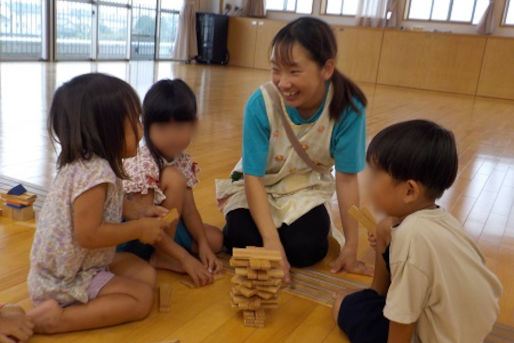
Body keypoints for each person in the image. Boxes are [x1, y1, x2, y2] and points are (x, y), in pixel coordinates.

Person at [216, 17, 369, 282]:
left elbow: (346, 179)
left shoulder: (348, 109)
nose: (283, 82)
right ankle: (265, 234)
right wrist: (270, 241)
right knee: (244, 238)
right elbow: (253, 177)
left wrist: (351, 248)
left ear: (326, 68)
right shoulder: (261, 104)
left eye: (294, 72)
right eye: (276, 70)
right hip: (259, 185)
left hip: (304, 188)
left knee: (305, 249)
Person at [333, 120, 503, 343]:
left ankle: (368, 303)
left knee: (342, 305)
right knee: (385, 227)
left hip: (433, 336)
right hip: (465, 327)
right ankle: (374, 297)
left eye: (374, 175)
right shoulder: (438, 219)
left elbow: (402, 322)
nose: (367, 182)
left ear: (409, 191)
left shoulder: (411, 236)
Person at [27, 73, 168, 333]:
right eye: (134, 121)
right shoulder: (96, 174)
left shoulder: (88, 164)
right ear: (106, 130)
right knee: (141, 298)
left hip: (68, 267)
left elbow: (109, 205)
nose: (141, 128)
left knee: (145, 275)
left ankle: (80, 298)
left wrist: (139, 212)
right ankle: (57, 320)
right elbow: (89, 234)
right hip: (64, 280)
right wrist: (139, 230)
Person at [118, 79, 223, 287]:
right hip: (136, 236)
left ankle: (165, 252)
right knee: (174, 178)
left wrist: (203, 245)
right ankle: (160, 256)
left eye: (181, 126)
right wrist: (184, 258)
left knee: (215, 239)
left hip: (165, 230)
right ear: (146, 126)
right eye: (163, 127)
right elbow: (144, 221)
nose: (172, 136)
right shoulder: (143, 160)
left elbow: (190, 210)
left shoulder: (181, 158)